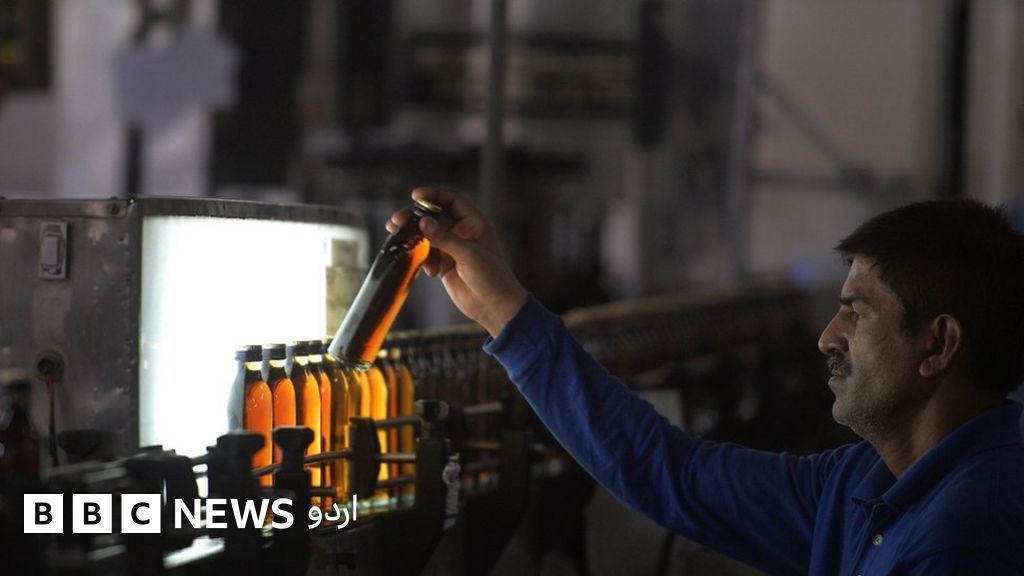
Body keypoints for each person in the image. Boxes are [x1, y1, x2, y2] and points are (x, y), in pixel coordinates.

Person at [387, 188, 1024, 575]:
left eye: (858, 312)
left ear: (937, 345)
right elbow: (671, 472)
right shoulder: (865, 484)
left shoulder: (966, 541)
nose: (828, 337)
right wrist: (500, 307)